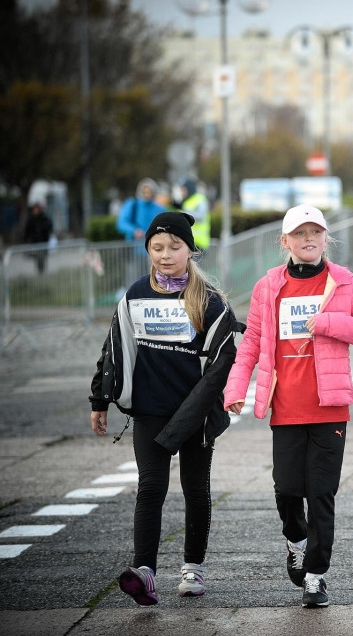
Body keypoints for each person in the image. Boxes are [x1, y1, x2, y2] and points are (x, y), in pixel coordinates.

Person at [223, 204, 353, 608]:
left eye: (315, 232)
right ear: (285, 241)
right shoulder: (268, 286)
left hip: (330, 408)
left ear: (326, 238)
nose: (308, 239)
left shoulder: (343, 281)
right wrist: (235, 388)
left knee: (321, 493)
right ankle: (295, 540)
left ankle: (316, 576)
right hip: (286, 407)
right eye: (299, 233)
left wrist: (329, 322)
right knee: (287, 491)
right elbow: (252, 343)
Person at [89, 212, 241, 605]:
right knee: (151, 487)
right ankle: (144, 572)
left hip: (196, 413)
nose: (165, 254)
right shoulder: (135, 295)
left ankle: (193, 568)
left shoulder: (210, 302)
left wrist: (193, 416)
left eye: (175, 247)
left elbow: (221, 366)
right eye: (157, 248)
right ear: (148, 251)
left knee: (195, 488)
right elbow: (113, 348)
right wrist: (100, 399)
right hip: (150, 410)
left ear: (190, 250)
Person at [117, 178, 166, 286]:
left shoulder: (160, 208)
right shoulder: (132, 205)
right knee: (135, 280)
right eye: (145, 191)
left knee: (155, 280)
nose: (147, 194)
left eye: (149, 191)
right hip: (135, 250)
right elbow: (121, 223)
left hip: (155, 251)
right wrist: (134, 230)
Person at [176, 178, 212, 250]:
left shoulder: (200, 199)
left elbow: (201, 216)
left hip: (199, 243)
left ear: (189, 189)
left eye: (183, 190)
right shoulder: (186, 201)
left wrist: (183, 213)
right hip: (188, 241)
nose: (181, 192)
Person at [23, 202, 53, 274]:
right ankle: (40, 272)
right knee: (37, 258)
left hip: (44, 241)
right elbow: (27, 231)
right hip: (35, 242)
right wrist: (25, 241)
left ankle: (42, 271)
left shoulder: (44, 218)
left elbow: (49, 227)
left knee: (43, 258)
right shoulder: (31, 219)